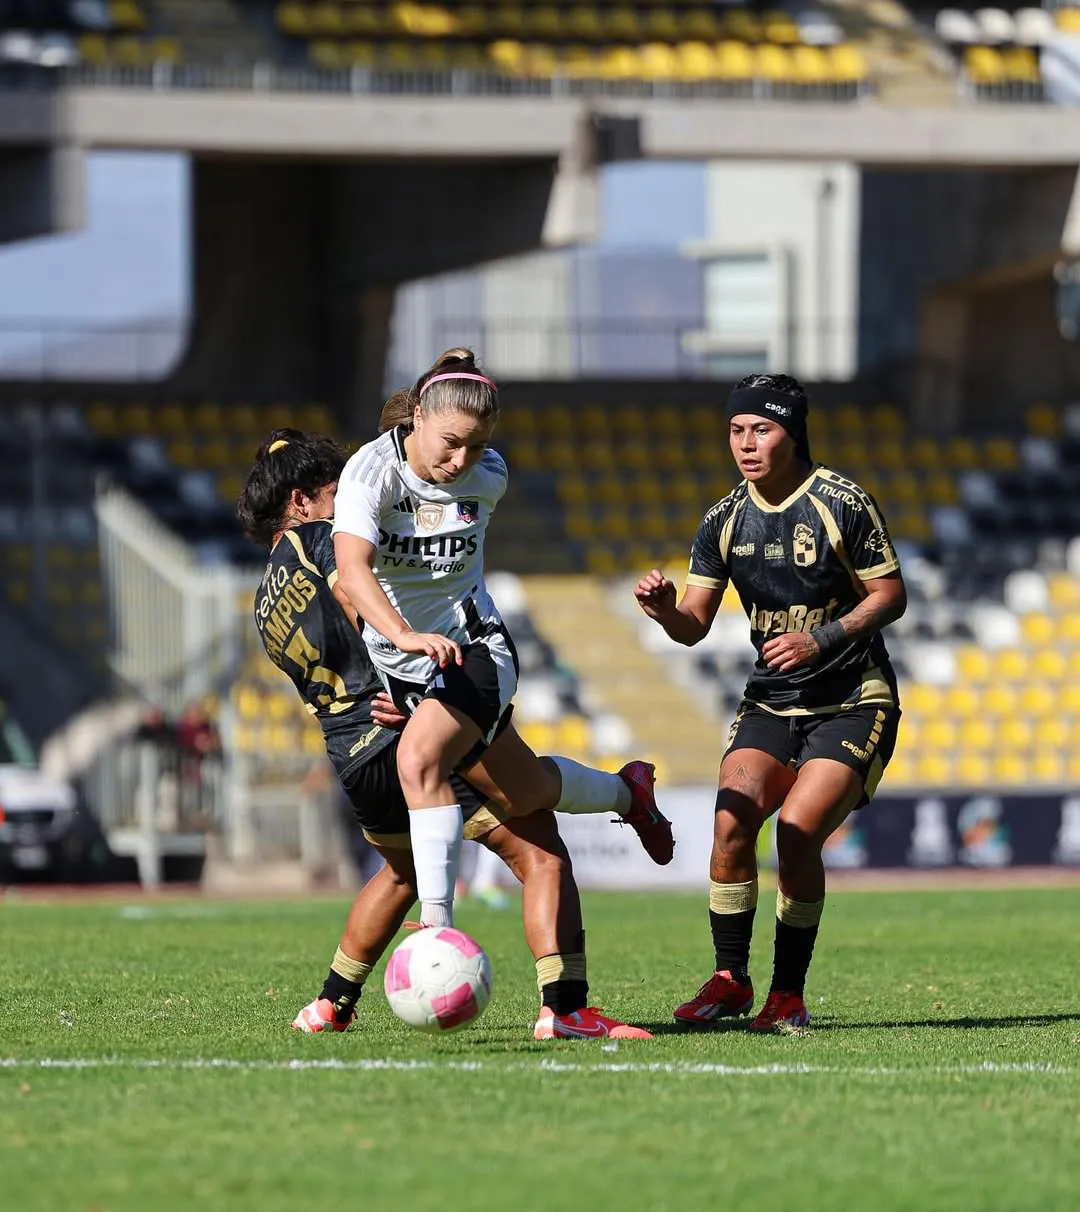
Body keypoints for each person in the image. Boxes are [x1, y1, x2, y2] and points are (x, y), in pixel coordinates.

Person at [237, 429, 653, 1039]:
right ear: (301, 501)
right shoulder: (323, 539)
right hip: (397, 722)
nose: (349, 500)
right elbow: (357, 593)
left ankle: (329, 1006)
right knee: (540, 852)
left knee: (403, 872)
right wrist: (408, 679)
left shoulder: (265, 595)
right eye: (334, 491)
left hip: (350, 754)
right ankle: (565, 1010)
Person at [331, 349, 671, 929]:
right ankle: (626, 792)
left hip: (475, 649)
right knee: (524, 791)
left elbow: (369, 568)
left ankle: (437, 929)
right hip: (410, 663)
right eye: (450, 441)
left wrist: (410, 637)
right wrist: (400, 642)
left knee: (418, 761)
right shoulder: (369, 471)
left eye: (476, 444)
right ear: (415, 416)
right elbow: (350, 570)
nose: (462, 459)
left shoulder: (489, 475)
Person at [634, 374, 906, 1032]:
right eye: (736, 431)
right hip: (771, 699)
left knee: (796, 831)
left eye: (762, 429)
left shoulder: (843, 502)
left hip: (853, 697)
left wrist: (822, 639)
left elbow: (891, 593)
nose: (747, 444)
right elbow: (695, 625)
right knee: (730, 827)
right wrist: (668, 613)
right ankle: (730, 980)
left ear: (792, 432)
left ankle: (787, 995)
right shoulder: (723, 520)